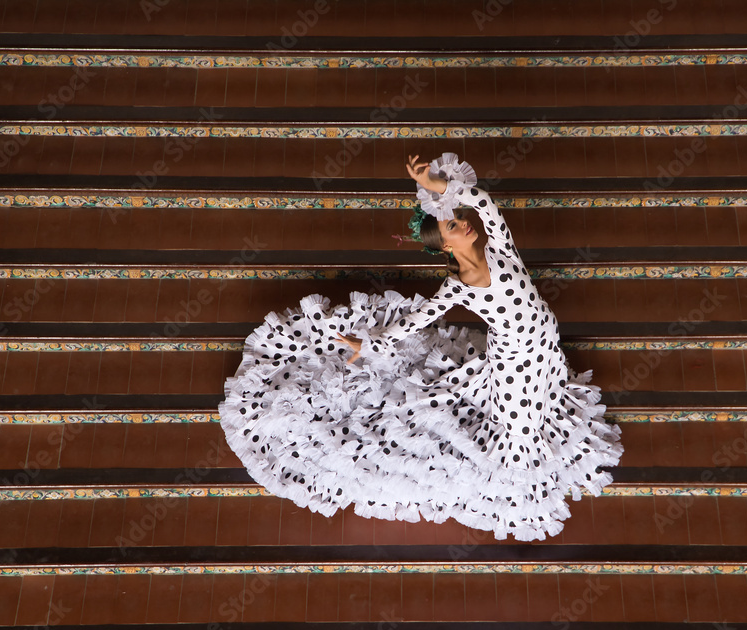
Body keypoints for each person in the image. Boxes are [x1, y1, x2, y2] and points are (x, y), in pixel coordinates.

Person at [219, 153, 621, 541]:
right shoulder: (458, 286)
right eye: (453, 227)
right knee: (520, 429)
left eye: (459, 220)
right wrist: (370, 342)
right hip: (517, 365)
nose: (464, 224)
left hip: (544, 348)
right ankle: (513, 491)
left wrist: (435, 186)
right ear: (446, 247)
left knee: (545, 401)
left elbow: (483, 201)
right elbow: (417, 321)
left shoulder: (500, 247)